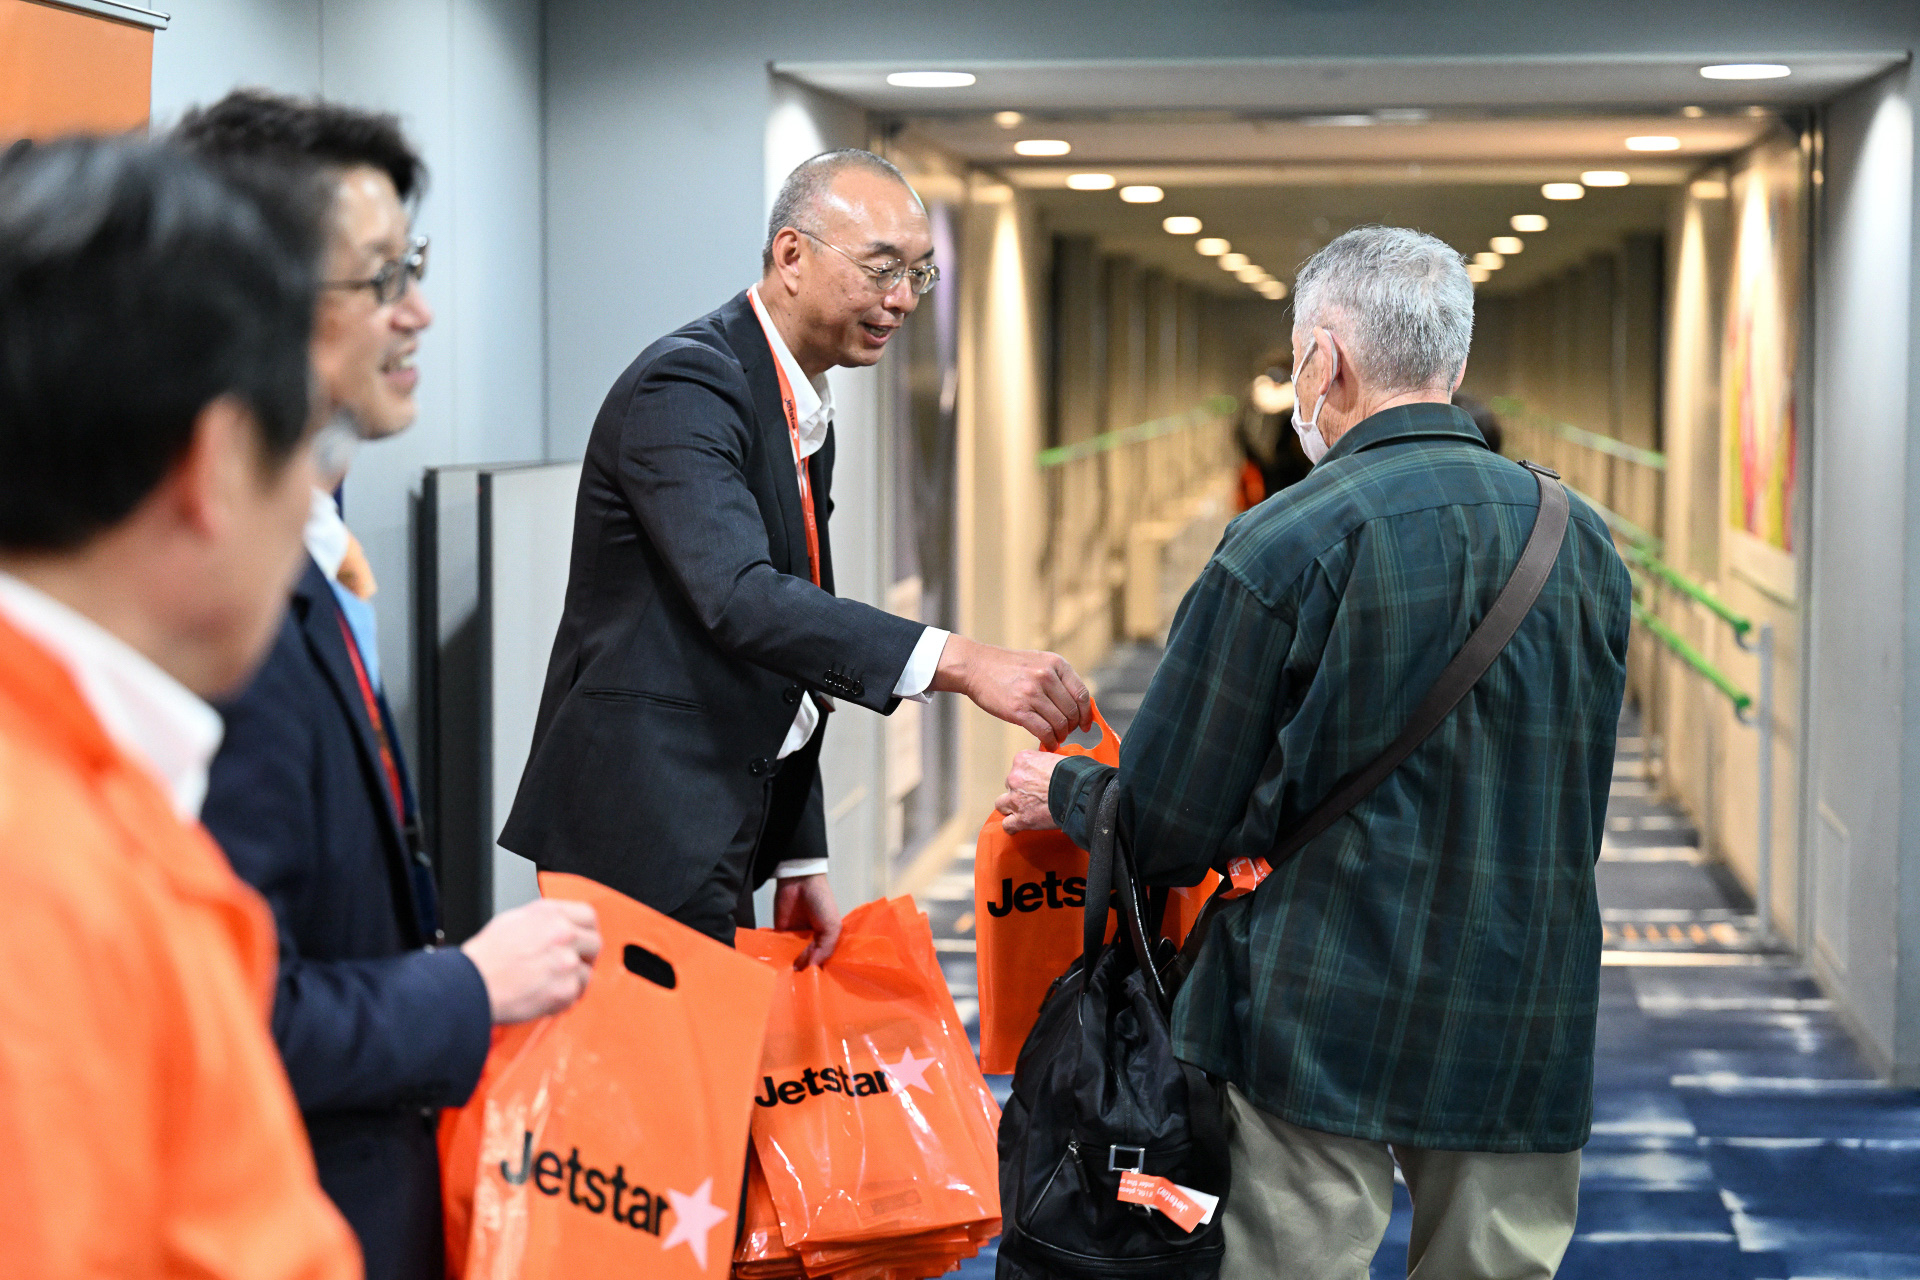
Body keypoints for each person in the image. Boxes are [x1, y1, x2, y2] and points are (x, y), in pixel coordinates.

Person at [997, 226, 1631, 1279]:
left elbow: (1166, 823)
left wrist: (1064, 786)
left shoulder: (1285, 541)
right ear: (1455, 364)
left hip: (1315, 1004)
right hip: (1525, 1002)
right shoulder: (1582, 541)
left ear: (1321, 362)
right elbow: (1579, 792)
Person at [177, 91, 602, 1280]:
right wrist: (464, 985)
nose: (416, 312)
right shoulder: (221, 621)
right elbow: (230, 1012)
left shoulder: (311, 556)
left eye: (409, 266)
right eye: (378, 279)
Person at [502, 149, 1092, 961]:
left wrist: (799, 851)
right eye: (881, 269)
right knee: (669, 1084)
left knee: (721, 1078)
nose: (900, 300)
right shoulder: (687, 385)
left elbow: (790, 644)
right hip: (642, 825)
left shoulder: (803, 401)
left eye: (919, 274)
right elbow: (742, 599)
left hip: (724, 810)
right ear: (790, 255)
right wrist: (960, 661)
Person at [0, 137, 359, 1279]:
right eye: (305, 443)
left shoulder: (85, 786)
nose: (313, 498)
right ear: (210, 464)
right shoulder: (42, 884)